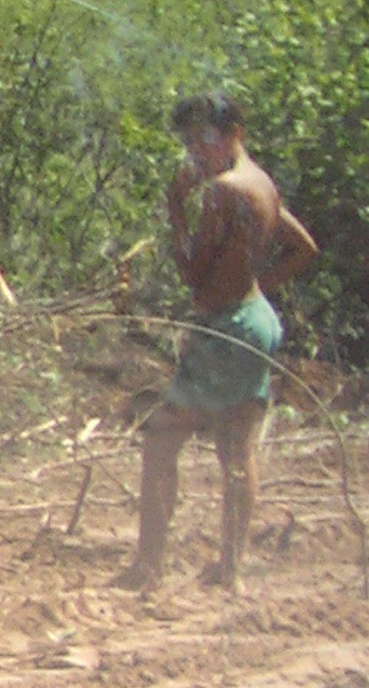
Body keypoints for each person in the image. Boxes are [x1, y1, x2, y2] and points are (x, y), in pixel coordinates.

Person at [115, 91, 318, 594]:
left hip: (227, 328)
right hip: (254, 321)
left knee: (161, 439)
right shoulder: (260, 183)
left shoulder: (220, 192)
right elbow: (303, 247)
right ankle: (231, 570)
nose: (195, 153)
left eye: (203, 140)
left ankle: (149, 567)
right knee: (236, 448)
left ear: (233, 135)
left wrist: (173, 204)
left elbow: (193, 276)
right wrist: (253, 291)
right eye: (188, 143)